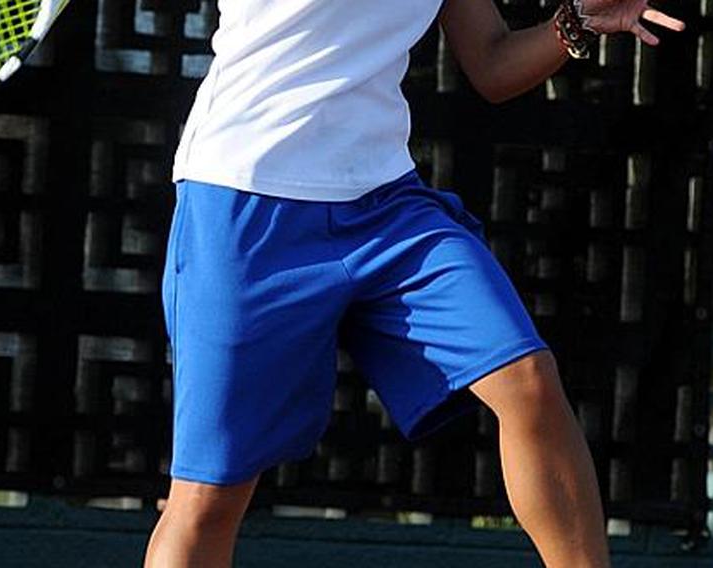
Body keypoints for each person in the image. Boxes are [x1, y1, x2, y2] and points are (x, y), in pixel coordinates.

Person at [144, 0, 685, 566]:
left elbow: (493, 62)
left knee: (528, 382)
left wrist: (574, 21)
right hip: (245, 206)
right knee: (207, 498)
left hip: (385, 204)